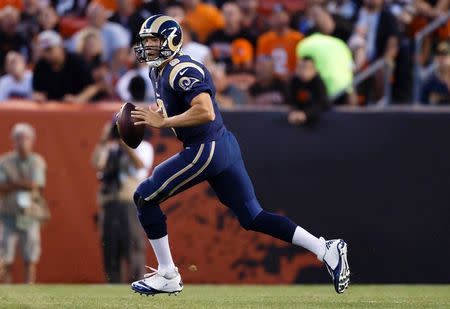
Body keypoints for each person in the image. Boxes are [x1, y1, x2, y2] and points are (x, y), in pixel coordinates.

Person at [128, 15, 350, 295]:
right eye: (145, 41)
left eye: (152, 41)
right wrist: (159, 114)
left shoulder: (182, 68)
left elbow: (205, 110)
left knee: (144, 196)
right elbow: (178, 106)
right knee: (253, 217)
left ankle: (168, 274)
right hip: (221, 146)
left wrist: (165, 122)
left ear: (171, 40)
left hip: (205, 147)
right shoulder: (159, 70)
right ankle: (326, 249)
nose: (147, 46)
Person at [92, 121, 154, 283]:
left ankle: (137, 283)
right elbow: (97, 163)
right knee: (111, 247)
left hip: (130, 202)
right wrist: (104, 140)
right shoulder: (111, 149)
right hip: (110, 202)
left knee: (133, 245)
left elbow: (140, 166)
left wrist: (126, 145)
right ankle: (113, 286)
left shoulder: (143, 147)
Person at [0, 123, 49, 284]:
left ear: (32, 141)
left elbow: (35, 184)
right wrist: (22, 184)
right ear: (13, 141)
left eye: (25, 138)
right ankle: (5, 293)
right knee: (5, 259)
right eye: (18, 138)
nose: (22, 142)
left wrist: (12, 183)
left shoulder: (37, 161)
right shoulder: (5, 161)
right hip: (8, 214)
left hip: (30, 215)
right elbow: (1, 186)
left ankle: (29, 290)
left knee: (30, 258)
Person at [32, 30, 100, 103]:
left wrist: (78, 99)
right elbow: (37, 91)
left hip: (79, 110)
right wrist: (38, 96)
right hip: (51, 110)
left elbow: (92, 87)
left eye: (50, 49)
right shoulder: (40, 66)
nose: (47, 54)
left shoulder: (76, 61)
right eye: (44, 51)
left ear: (60, 46)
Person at [256, 4, 303, 79]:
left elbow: (302, 63)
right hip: (271, 80)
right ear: (270, 19)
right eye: (275, 15)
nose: (279, 18)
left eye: (281, 15)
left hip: (293, 79)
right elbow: (261, 63)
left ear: (288, 17)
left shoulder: (298, 38)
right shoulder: (264, 39)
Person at [206, 1, 255, 72]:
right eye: (224, 13)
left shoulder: (248, 37)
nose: (228, 17)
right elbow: (207, 58)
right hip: (217, 74)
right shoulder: (213, 37)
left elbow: (251, 65)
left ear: (240, 15)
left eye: (231, 14)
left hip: (241, 74)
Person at [288, 56, 329, 125]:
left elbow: (322, 103)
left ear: (314, 69)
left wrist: (306, 114)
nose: (303, 71)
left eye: (307, 68)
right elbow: (290, 100)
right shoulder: (293, 82)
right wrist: (294, 111)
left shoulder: (318, 82)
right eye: (300, 67)